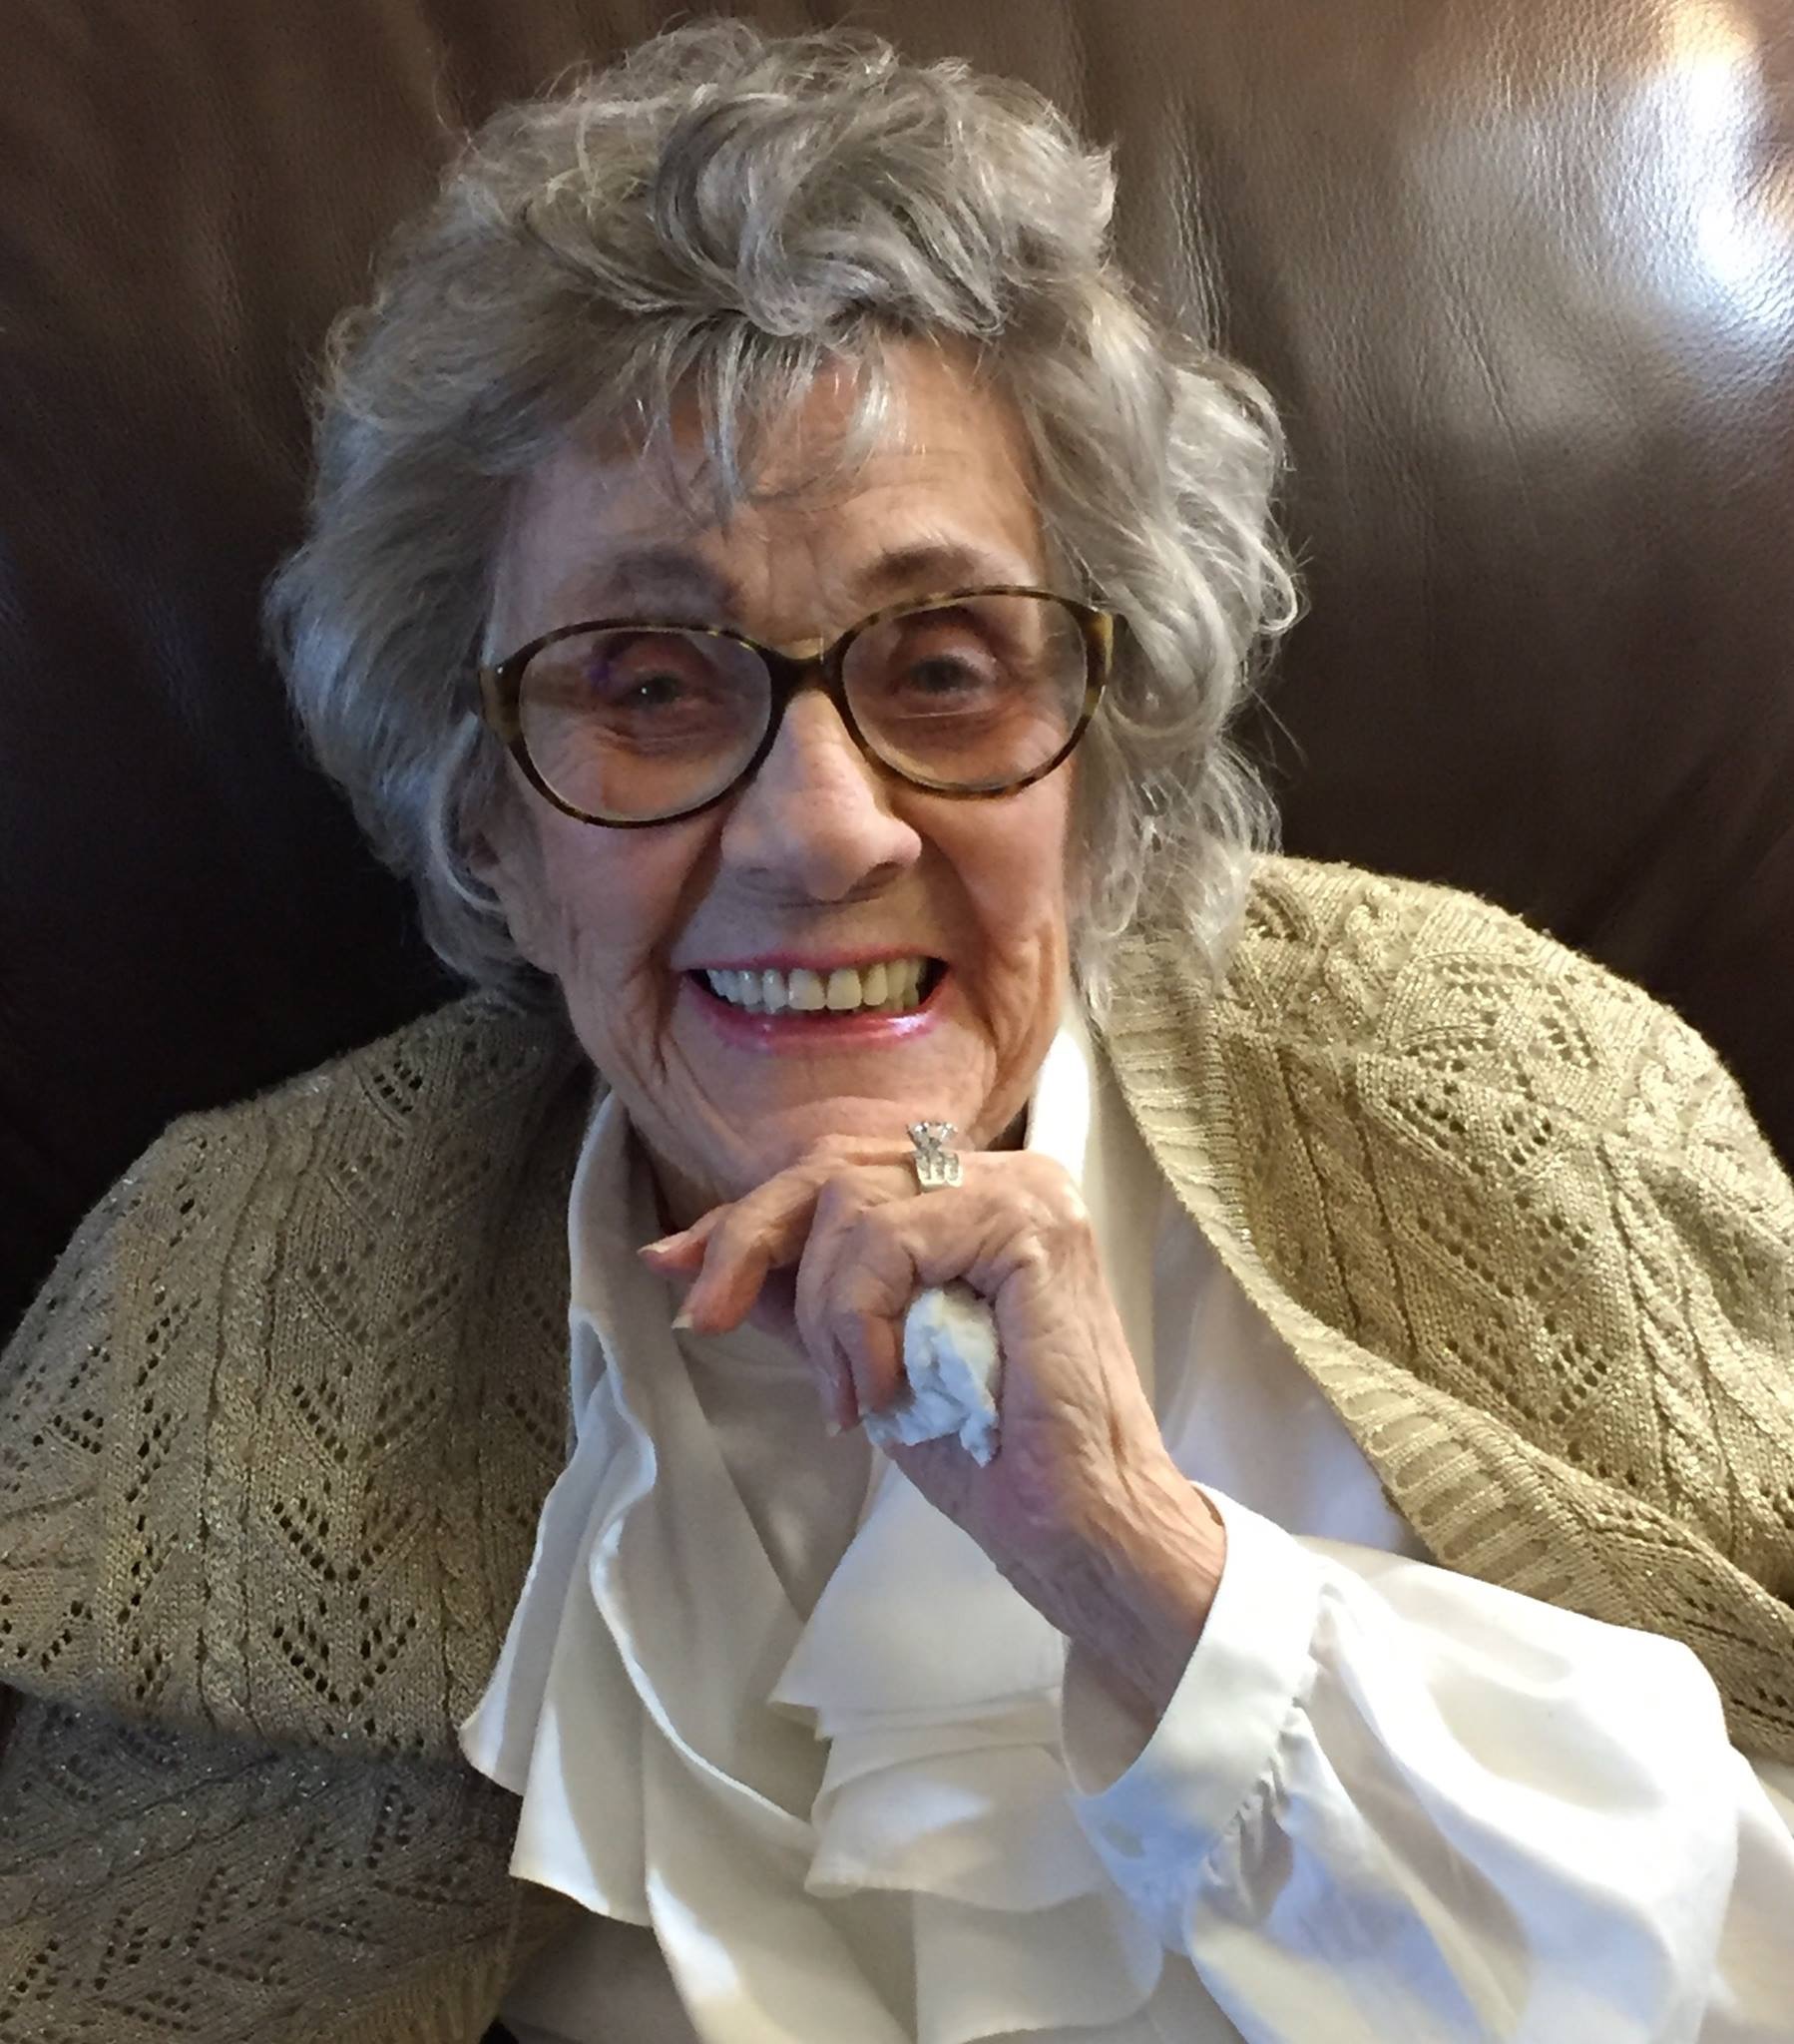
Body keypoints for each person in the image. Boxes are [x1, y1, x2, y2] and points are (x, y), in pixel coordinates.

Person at [2, 21, 1791, 2044]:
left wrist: (1138, 1562)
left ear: (1101, 761)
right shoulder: (234, 1298)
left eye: (941, 668)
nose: (822, 830)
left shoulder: (1512, 1100)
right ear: (484, 814)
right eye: (645, 683)